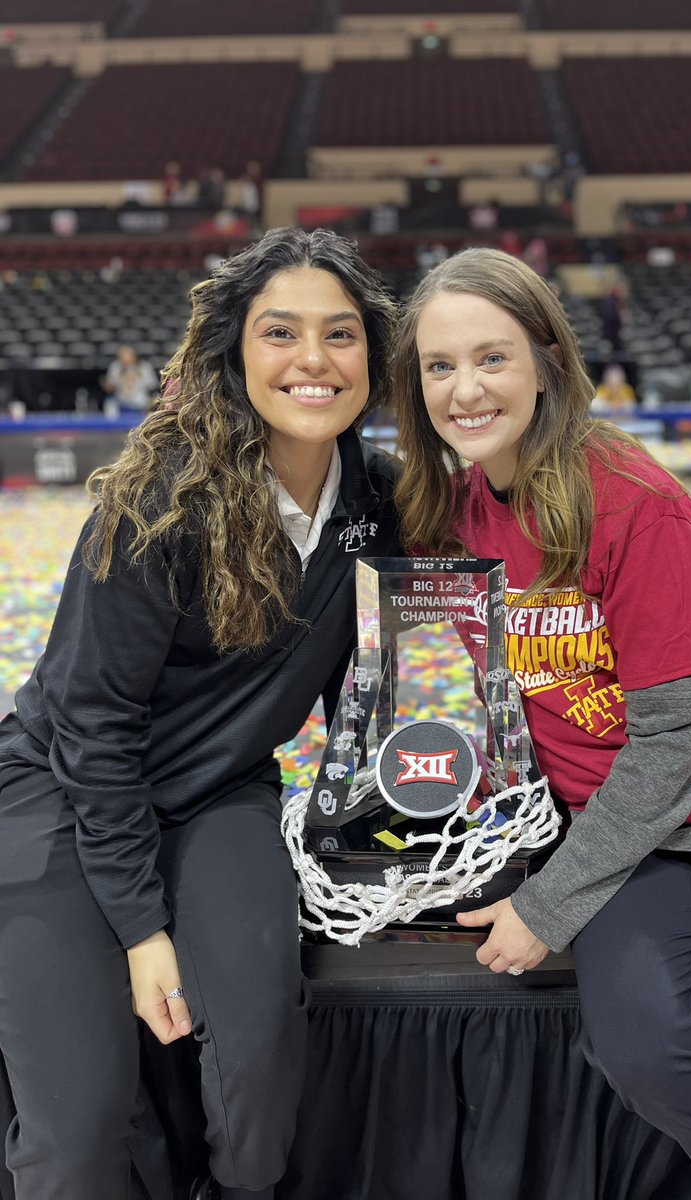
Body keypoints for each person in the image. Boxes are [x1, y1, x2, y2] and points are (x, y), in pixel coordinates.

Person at [390, 246, 691, 1200]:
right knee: (643, 1059)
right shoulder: (451, 506)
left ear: (549, 358)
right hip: (619, 828)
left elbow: (677, 742)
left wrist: (545, 906)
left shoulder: (632, 501)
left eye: (491, 357)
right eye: (439, 366)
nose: (464, 388)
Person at [0, 227, 401, 1200]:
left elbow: (390, 669)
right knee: (81, 1133)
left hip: (220, 795)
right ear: (232, 353)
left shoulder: (379, 503)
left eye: (340, 335)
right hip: (63, 794)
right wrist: (143, 931)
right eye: (280, 333)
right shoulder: (157, 502)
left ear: (372, 360)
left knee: (260, 1065)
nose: (313, 359)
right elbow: (93, 733)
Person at [102, 343, 159, 415]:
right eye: (122, 355)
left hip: (140, 405)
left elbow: (152, 385)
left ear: (134, 355)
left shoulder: (144, 367)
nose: (124, 358)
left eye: (127, 355)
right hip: (121, 405)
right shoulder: (116, 367)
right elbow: (110, 386)